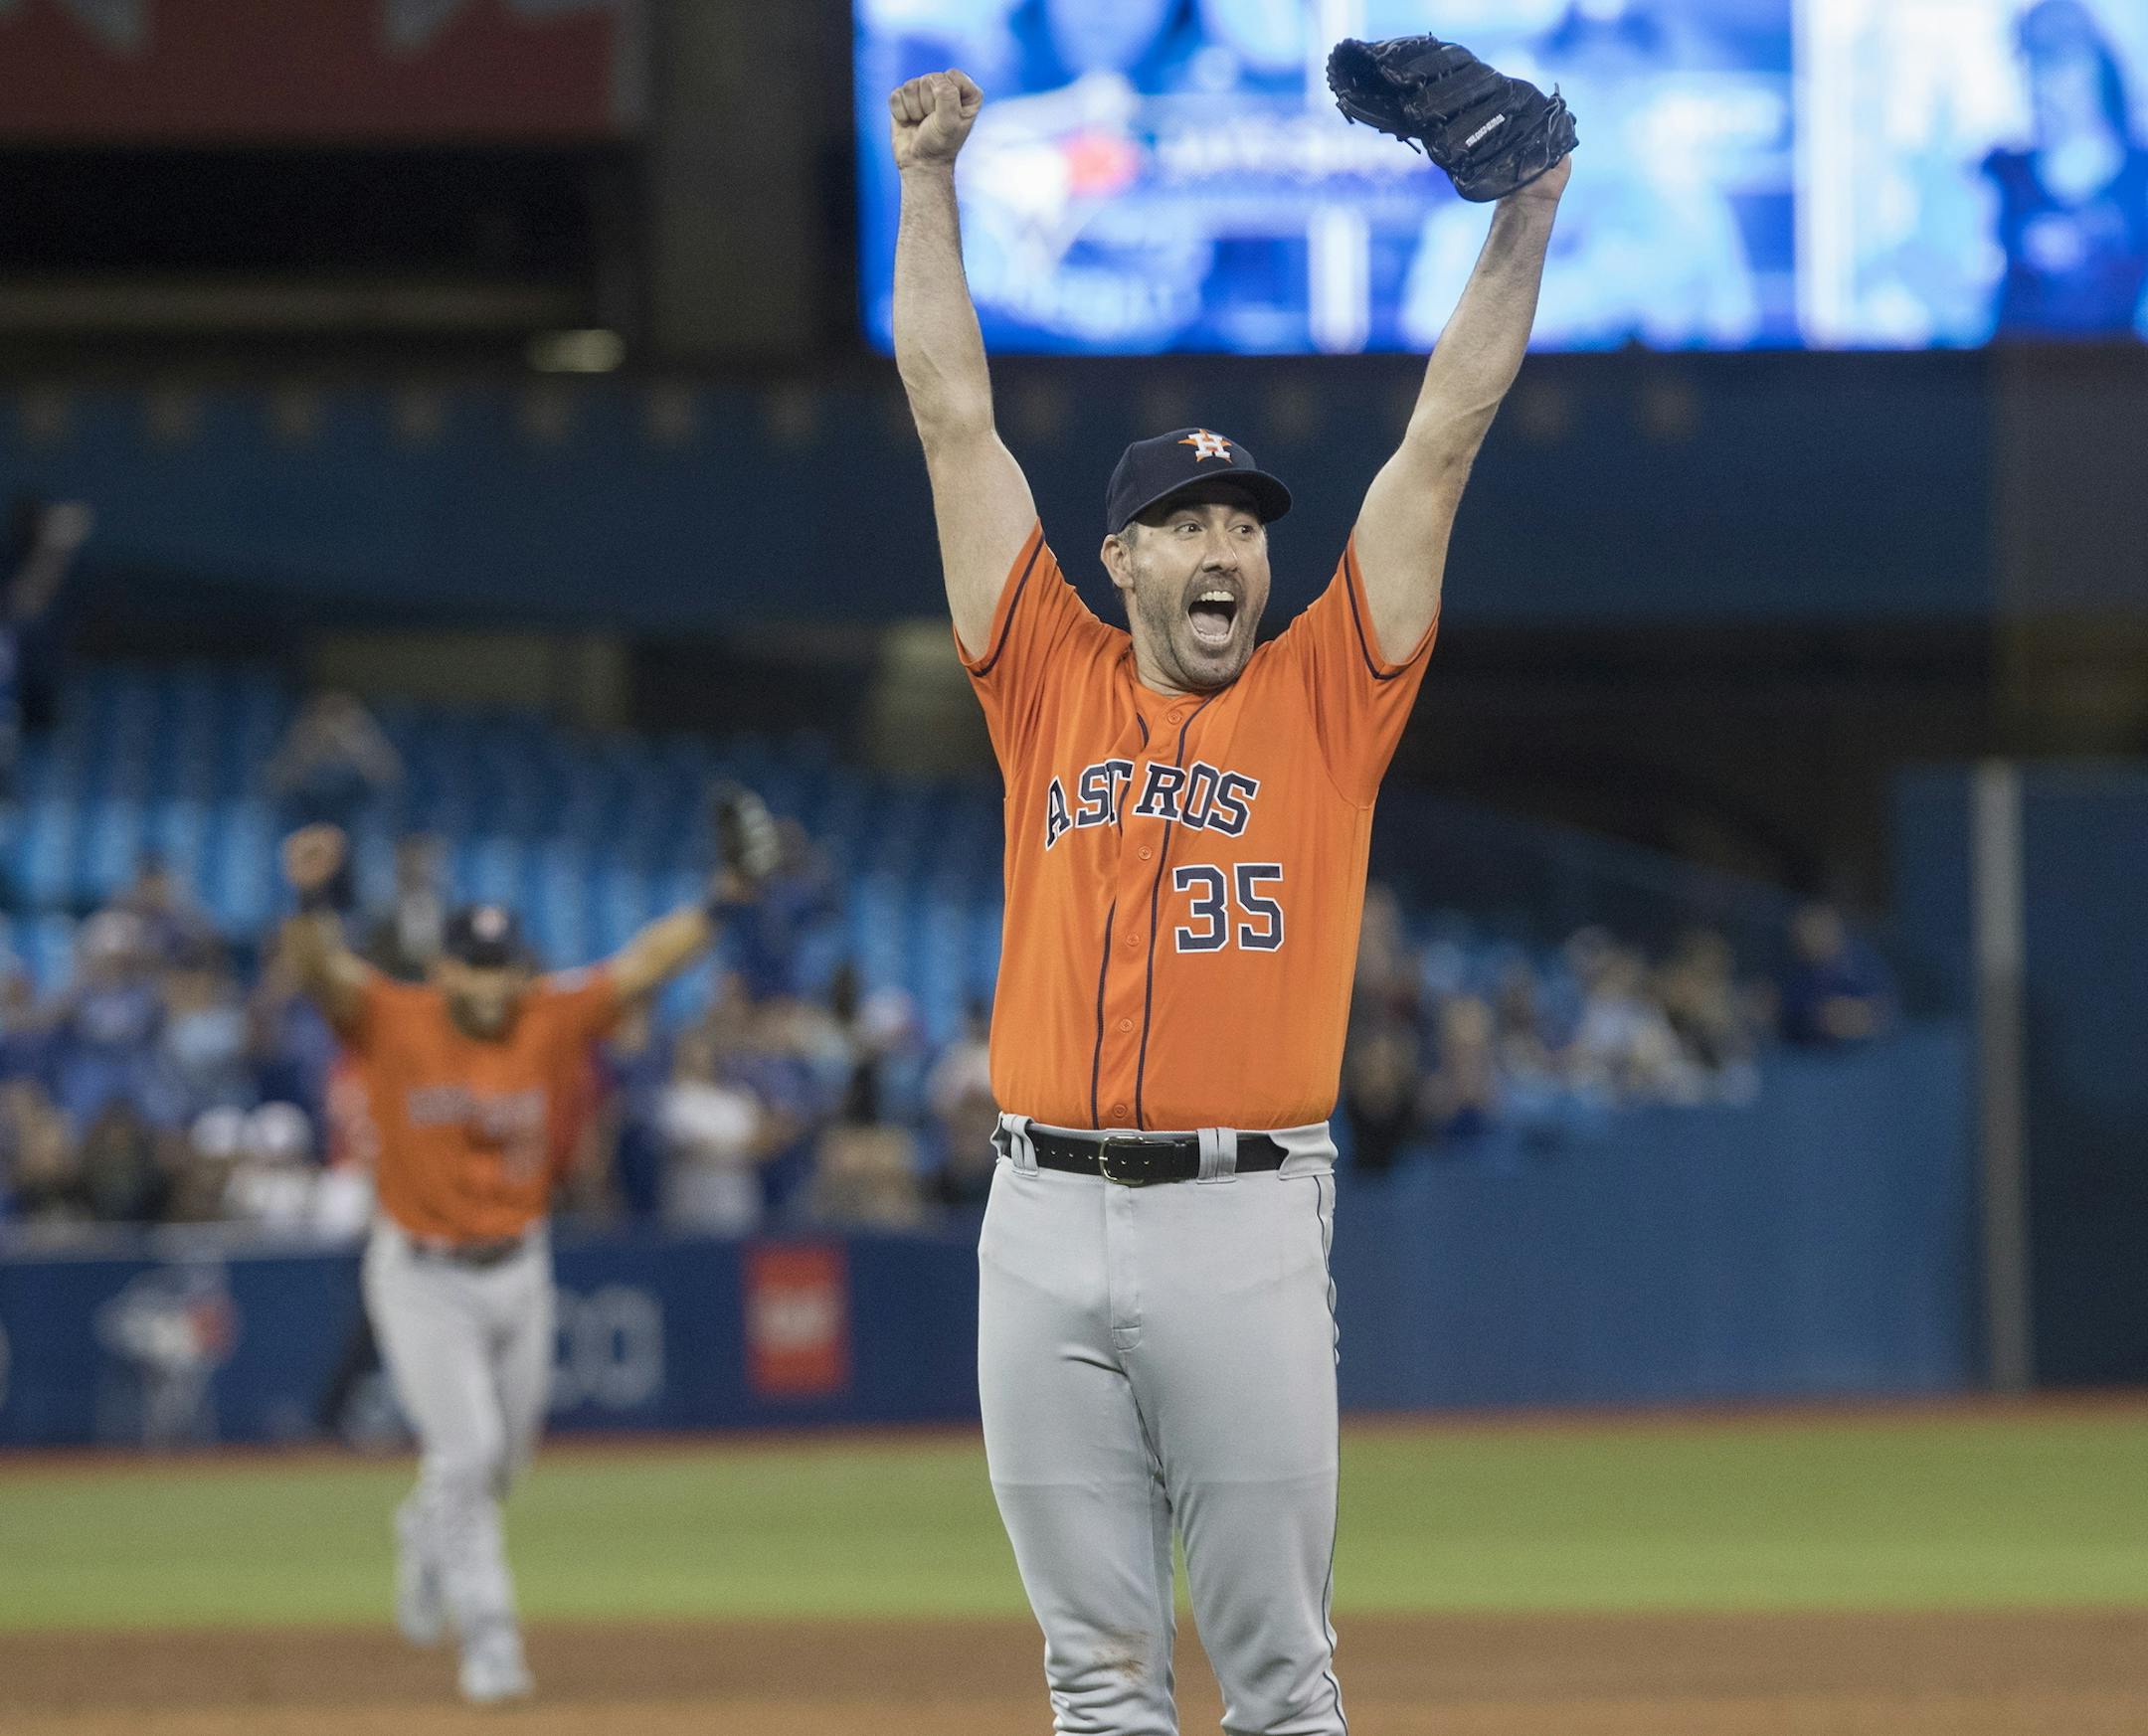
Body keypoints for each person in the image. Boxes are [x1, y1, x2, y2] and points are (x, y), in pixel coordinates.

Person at [890, 59, 1568, 1736]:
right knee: (1096, 1682)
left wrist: (1527, 215)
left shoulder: (1329, 689)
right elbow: (954, 420)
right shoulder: (1041, 676)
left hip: (1245, 1214)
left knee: (1276, 1683)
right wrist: (925, 185)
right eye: (1183, 524)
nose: (1223, 550)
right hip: (1036, 1218)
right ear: (1117, 561)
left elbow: (1443, 437)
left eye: (1243, 528)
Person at [275, 799, 768, 1706]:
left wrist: (725, 897)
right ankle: (492, 1641)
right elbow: (322, 975)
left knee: (503, 1466)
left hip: (519, 1267)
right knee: (465, 1454)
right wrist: (309, 902)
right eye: (476, 968)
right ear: (444, 967)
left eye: (504, 969)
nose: (493, 987)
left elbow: (648, 962)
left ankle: (425, 1527)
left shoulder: (550, 1015)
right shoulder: (395, 1017)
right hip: (420, 1274)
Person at [1983, 0, 2148, 338]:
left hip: (2124, 384)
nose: (2040, 83)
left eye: (2057, 59)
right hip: (2011, 382)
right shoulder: (1998, 177)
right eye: (2030, 61)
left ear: (2097, 63)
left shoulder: (2141, 176)